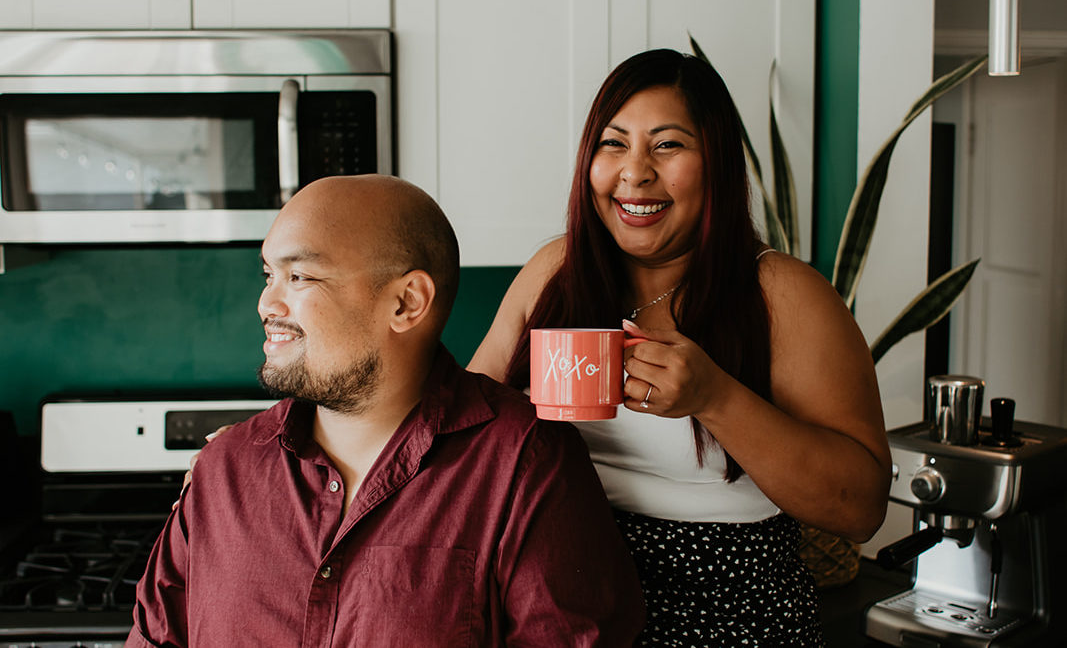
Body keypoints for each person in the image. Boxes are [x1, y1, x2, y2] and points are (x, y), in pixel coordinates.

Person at [468, 49, 892, 645]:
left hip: (728, 615)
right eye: (613, 144)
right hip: (558, 605)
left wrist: (714, 396)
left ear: (715, 162)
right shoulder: (555, 271)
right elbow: (464, 427)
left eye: (667, 145)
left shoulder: (781, 294)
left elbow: (861, 507)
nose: (635, 173)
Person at [126, 175, 645, 647]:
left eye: (300, 277)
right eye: (268, 275)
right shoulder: (223, 471)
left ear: (406, 303)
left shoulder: (525, 466)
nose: (267, 304)